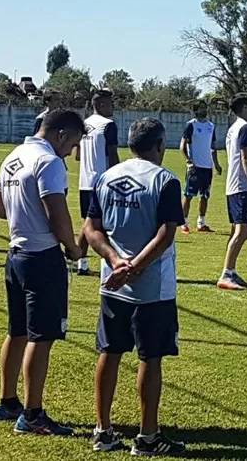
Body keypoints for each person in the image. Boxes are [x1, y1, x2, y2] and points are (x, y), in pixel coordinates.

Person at [82, 118, 186, 455]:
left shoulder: (106, 177)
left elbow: (90, 229)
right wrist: (134, 268)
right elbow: (165, 235)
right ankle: (148, 436)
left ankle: (103, 430)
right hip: (152, 287)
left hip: (111, 284)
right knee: (150, 357)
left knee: (109, 353)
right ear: (159, 146)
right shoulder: (165, 181)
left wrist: (115, 262)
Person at [0, 108, 85, 435]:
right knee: (41, 337)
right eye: (72, 143)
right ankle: (32, 415)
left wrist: (23, 216)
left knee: (16, 331)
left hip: (15, 255)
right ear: (61, 134)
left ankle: (7, 401)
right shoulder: (49, 162)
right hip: (42, 258)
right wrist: (72, 247)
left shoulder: (14, 156)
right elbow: (56, 210)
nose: (71, 152)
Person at [218, 95, 247, 291]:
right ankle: (226, 273)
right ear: (245, 107)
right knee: (243, 231)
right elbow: (246, 158)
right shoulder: (246, 128)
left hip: (233, 185)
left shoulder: (233, 128)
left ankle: (231, 271)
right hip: (242, 186)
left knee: (236, 231)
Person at [75, 90, 120, 276]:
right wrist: (118, 178)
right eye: (110, 103)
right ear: (101, 105)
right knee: (104, 226)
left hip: (84, 181)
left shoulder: (84, 125)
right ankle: (111, 264)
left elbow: (78, 156)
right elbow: (113, 155)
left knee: (89, 224)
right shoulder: (108, 125)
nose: (113, 107)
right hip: (102, 182)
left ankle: (81, 262)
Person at [180, 100, 222, 234]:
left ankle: (201, 223)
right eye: (202, 108)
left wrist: (216, 164)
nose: (205, 110)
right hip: (195, 167)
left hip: (207, 167)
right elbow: (182, 146)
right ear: (196, 110)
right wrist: (189, 162)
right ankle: (184, 223)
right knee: (188, 195)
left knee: (205, 196)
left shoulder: (211, 126)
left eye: (206, 107)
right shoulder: (191, 125)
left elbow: (213, 147)